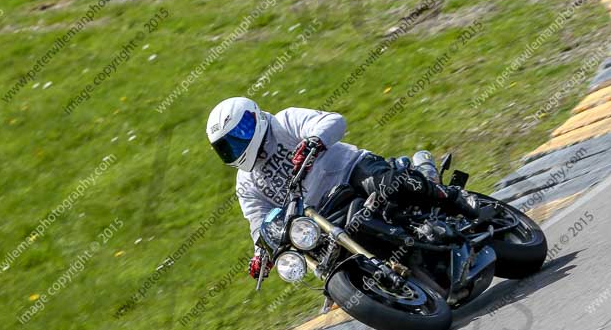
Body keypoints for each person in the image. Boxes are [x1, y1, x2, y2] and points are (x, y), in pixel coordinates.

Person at [206, 97, 484, 279]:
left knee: (393, 186)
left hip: (350, 172)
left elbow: (332, 120)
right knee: (325, 263)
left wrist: (315, 140)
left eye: (239, 135)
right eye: (227, 146)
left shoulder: (284, 122)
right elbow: (258, 221)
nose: (237, 147)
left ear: (253, 119)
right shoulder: (246, 182)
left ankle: (455, 197)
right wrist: (260, 253)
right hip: (323, 216)